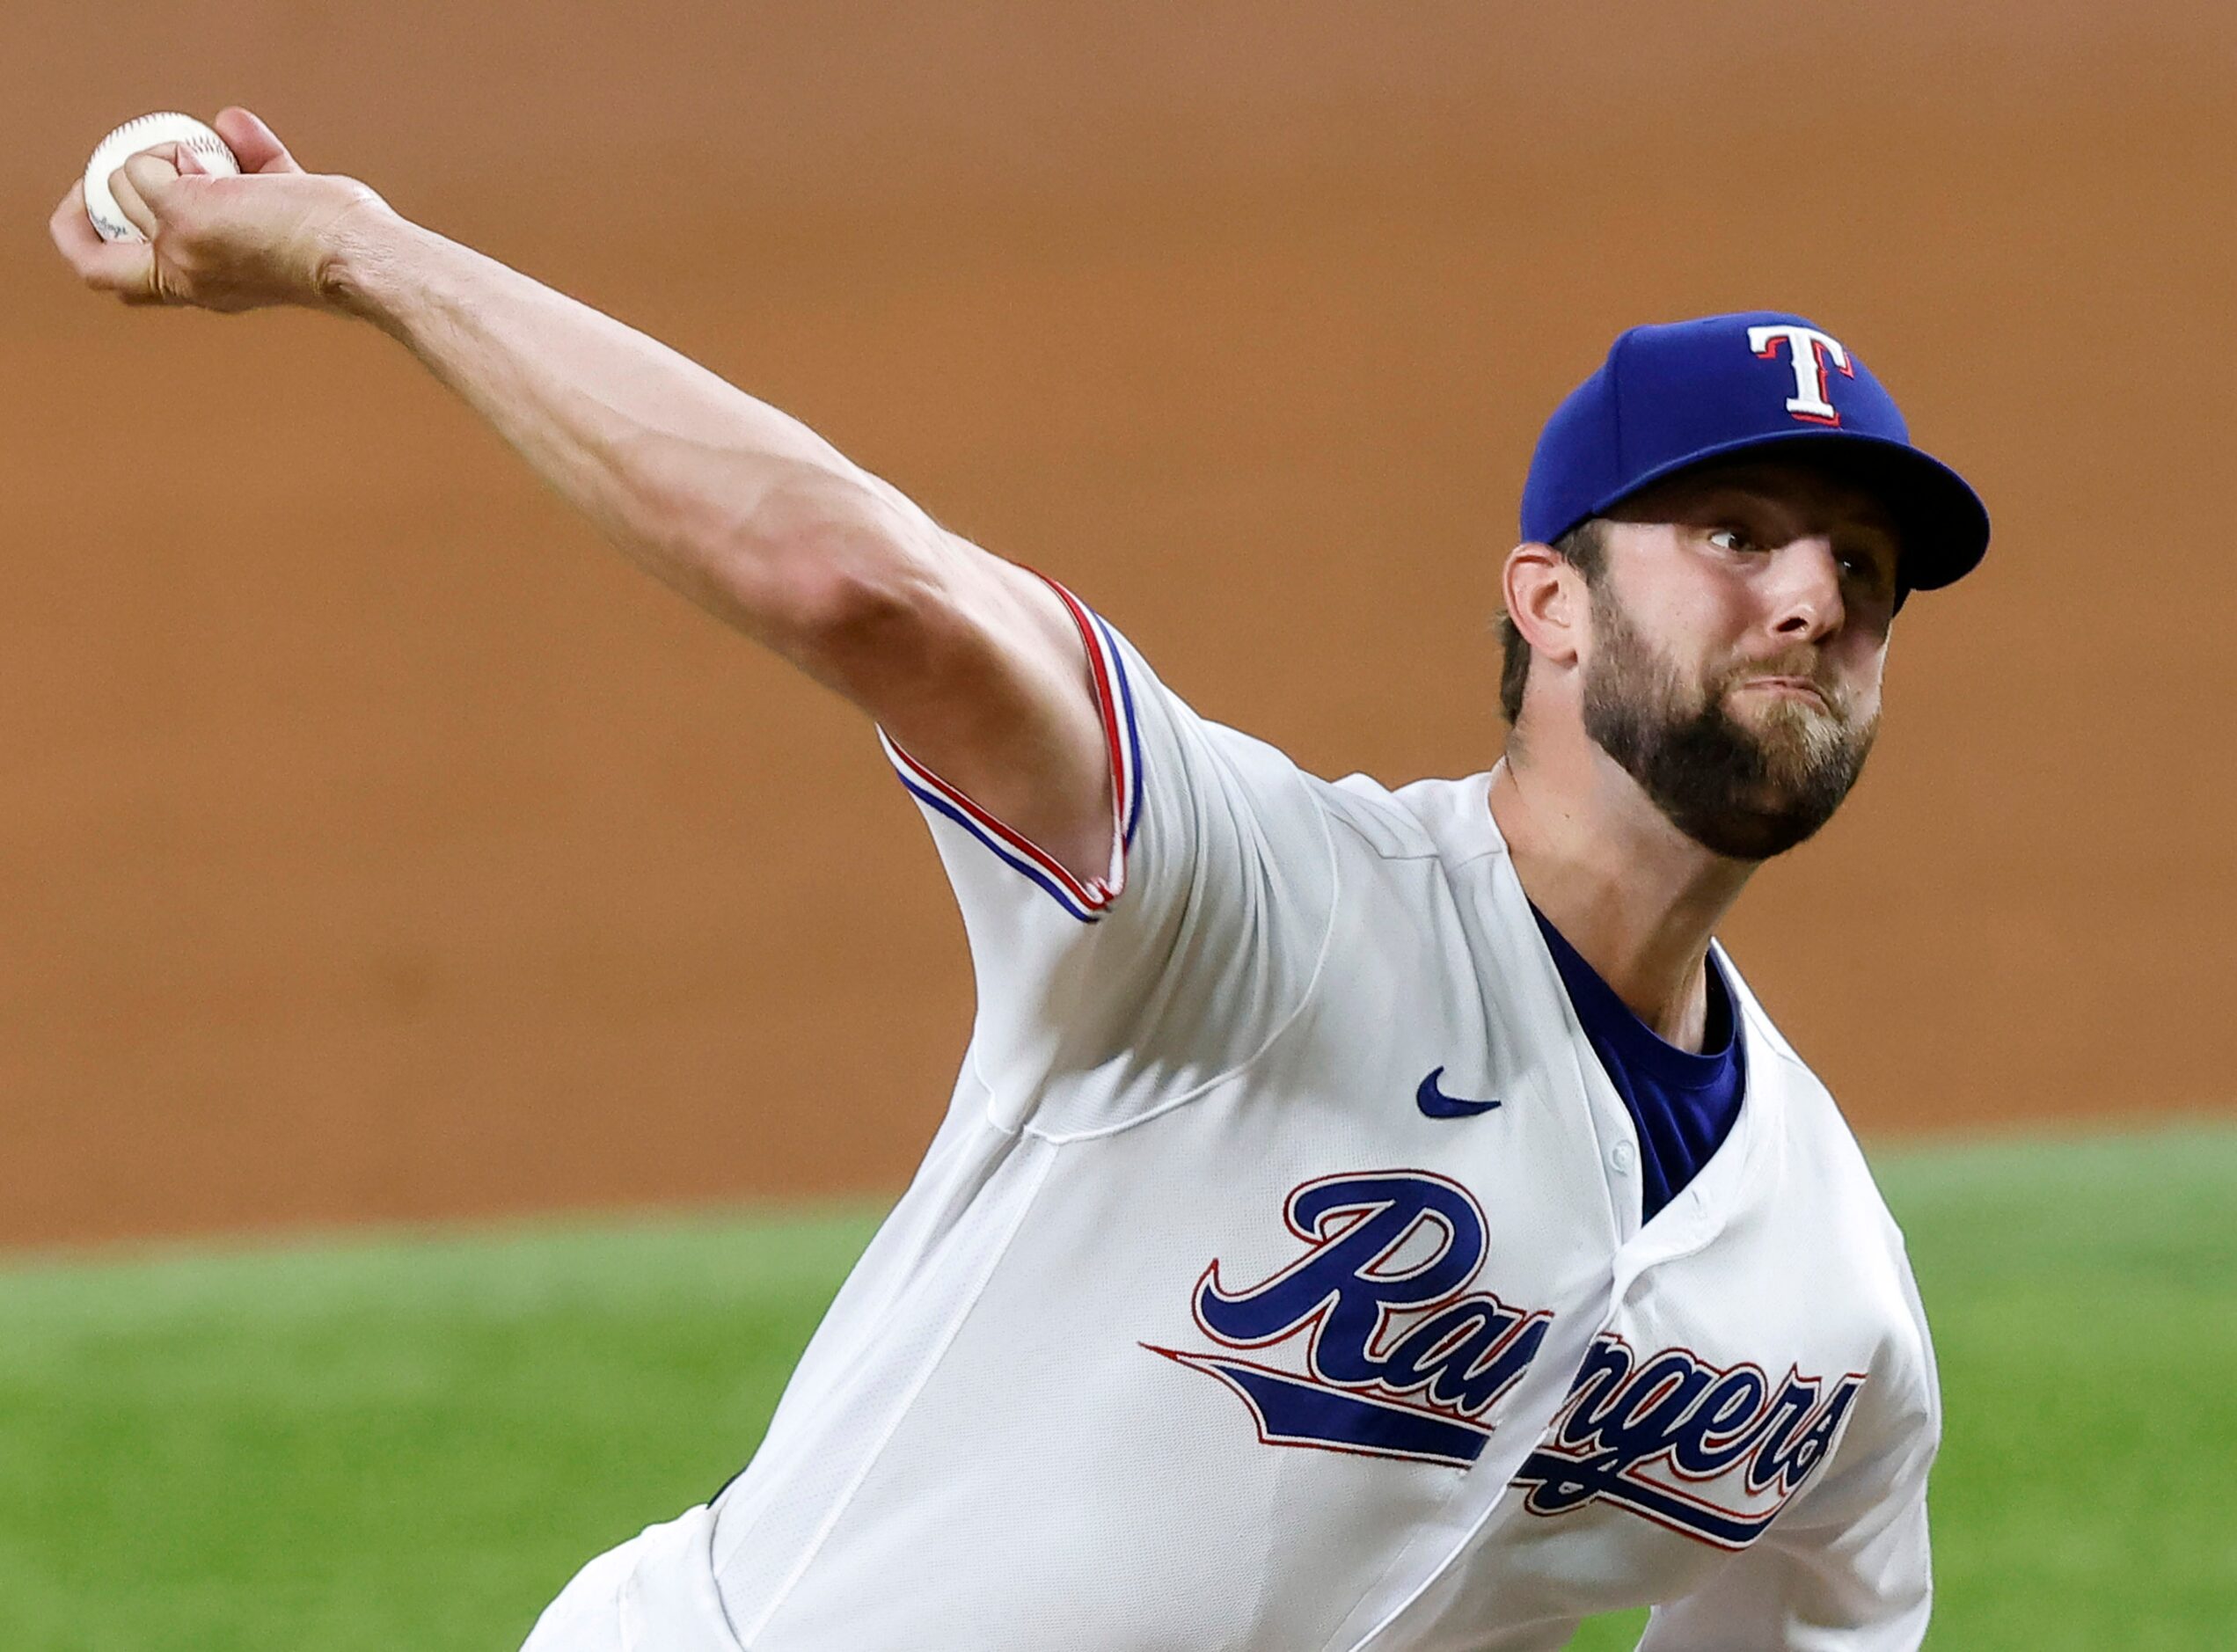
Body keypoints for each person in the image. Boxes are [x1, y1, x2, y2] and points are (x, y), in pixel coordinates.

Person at [52, 108, 1987, 1651]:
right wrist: (349, 248)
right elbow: (864, 588)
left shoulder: (1830, 1307)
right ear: (1548, 604)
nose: (1812, 598)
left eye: (1864, 577)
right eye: (1736, 533)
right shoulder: (1253, 899)